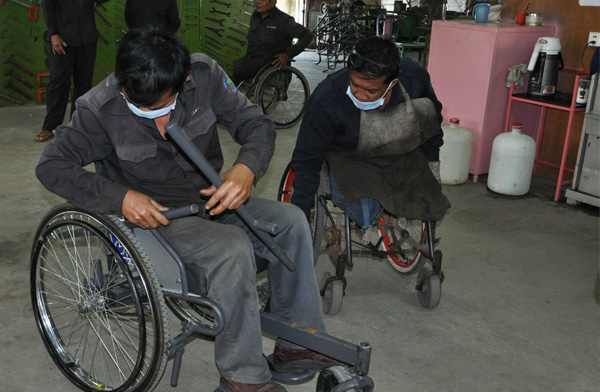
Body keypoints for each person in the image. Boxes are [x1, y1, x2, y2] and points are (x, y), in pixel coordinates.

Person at [36, 26, 337, 392]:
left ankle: (297, 345)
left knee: (289, 222)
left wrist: (246, 168)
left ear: (183, 79)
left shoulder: (205, 75)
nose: (162, 122)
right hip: (158, 220)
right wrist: (121, 197)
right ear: (124, 87)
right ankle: (242, 377)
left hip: (211, 198)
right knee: (230, 248)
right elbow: (51, 166)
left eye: (167, 104)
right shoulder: (98, 109)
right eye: (146, 109)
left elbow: (255, 123)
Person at [290, 36, 447, 234]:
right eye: (354, 84)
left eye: (370, 91)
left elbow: (431, 123)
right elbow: (307, 160)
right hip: (349, 156)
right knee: (365, 209)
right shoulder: (327, 99)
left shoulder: (415, 80)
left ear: (392, 84)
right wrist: (298, 217)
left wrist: (433, 163)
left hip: (399, 150)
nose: (359, 94)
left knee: (429, 199)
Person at [35, 0, 108, 142]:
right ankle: (49, 127)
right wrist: (54, 34)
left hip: (87, 38)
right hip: (63, 39)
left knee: (84, 84)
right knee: (58, 83)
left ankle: (78, 126)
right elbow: (48, 6)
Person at [231, 0, 313, 86]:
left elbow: (307, 35)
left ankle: (229, 92)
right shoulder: (255, 16)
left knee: (238, 68)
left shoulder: (284, 20)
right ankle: (229, 90)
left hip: (269, 63)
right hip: (252, 58)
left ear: (273, 1)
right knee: (232, 72)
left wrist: (288, 55)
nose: (257, 2)